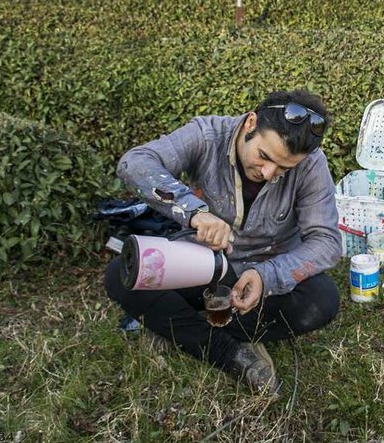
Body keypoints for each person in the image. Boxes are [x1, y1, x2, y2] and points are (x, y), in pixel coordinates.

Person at [104, 89, 342, 395]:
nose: (269, 173)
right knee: (121, 275)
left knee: (322, 300)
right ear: (250, 124)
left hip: (264, 276)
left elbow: (326, 242)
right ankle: (228, 353)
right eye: (264, 157)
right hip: (203, 266)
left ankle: (178, 327)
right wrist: (195, 213)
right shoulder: (207, 134)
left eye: (284, 169)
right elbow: (135, 163)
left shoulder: (311, 163)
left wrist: (266, 276)